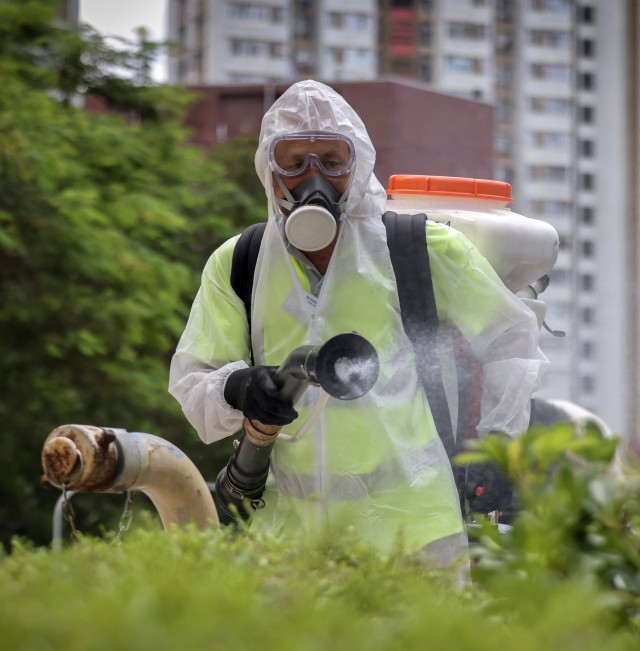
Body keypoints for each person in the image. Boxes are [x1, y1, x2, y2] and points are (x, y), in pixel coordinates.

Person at [169, 80, 547, 567]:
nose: (313, 178)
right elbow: (192, 378)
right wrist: (237, 388)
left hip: (415, 535)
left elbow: (511, 344)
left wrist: (498, 448)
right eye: (294, 161)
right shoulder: (238, 262)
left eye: (331, 161)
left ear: (360, 163)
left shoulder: (420, 249)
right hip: (289, 541)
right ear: (269, 169)